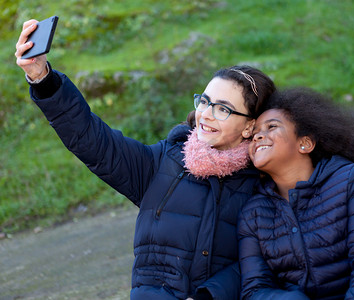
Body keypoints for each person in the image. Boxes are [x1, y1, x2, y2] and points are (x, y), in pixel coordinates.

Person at [15, 19, 276, 300]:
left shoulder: (263, 182)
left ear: (249, 126)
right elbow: (91, 139)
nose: (206, 114)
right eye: (204, 101)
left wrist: (209, 295)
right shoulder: (162, 162)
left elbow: (266, 259)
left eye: (223, 109)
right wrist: (42, 78)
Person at [238, 87, 354, 299]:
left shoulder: (353, 181)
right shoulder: (253, 213)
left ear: (305, 143)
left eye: (272, 127)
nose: (259, 136)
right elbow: (255, 290)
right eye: (255, 133)